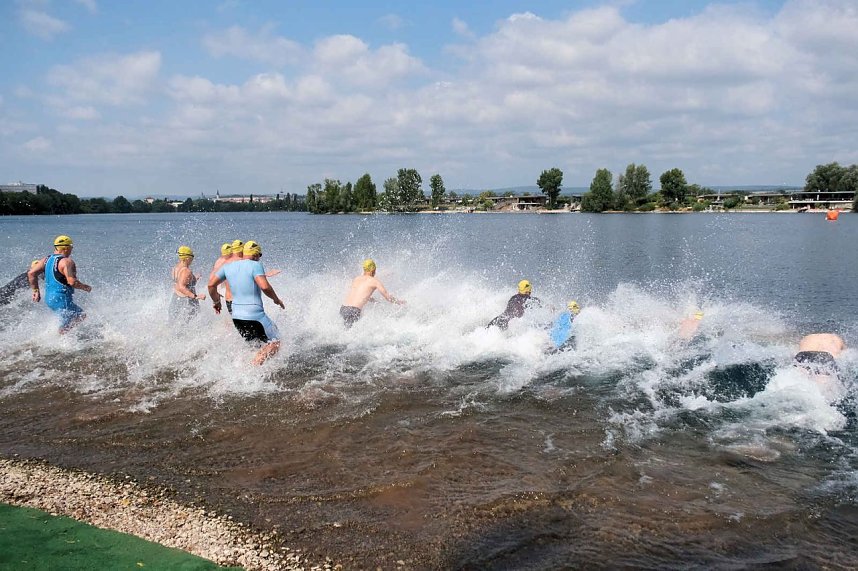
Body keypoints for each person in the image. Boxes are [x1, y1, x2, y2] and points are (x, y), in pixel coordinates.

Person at [208, 240, 285, 365]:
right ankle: (251, 368)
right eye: (259, 255)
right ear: (255, 255)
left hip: (237, 317)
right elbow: (264, 286)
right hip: (255, 316)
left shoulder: (227, 267)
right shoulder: (255, 265)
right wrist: (276, 299)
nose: (259, 258)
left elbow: (211, 285)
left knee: (256, 346)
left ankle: (240, 368)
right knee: (276, 342)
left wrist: (216, 301)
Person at [28, 235, 92, 334]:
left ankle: (58, 337)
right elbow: (72, 282)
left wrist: (36, 291)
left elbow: (31, 273)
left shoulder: (46, 260)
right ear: (66, 248)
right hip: (62, 299)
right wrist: (85, 287)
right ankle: (58, 340)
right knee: (79, 316)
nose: (72, 250)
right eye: (71, 247)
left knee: (74, 318)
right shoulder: (67, 261)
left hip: (49, 299)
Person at [340, 259, 405, 328]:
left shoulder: (356, 279)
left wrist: (374, 301)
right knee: (351, 332)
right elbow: (388, 297)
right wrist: (399, 302)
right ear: (373, 270)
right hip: (353, 311)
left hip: (343, 308)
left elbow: (358, 295)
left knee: (344, 330)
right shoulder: (375, 281)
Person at [169, 246, 206, 321]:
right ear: (187, 258)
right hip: (186, 301)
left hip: (175, 299)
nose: (192, 260)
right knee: (192, 323)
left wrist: (194, 279)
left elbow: (179, 283)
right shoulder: (186, 271)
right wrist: (196, 296)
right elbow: (181, 287)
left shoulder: (175, 268)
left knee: (174, 323)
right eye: (192, 257)